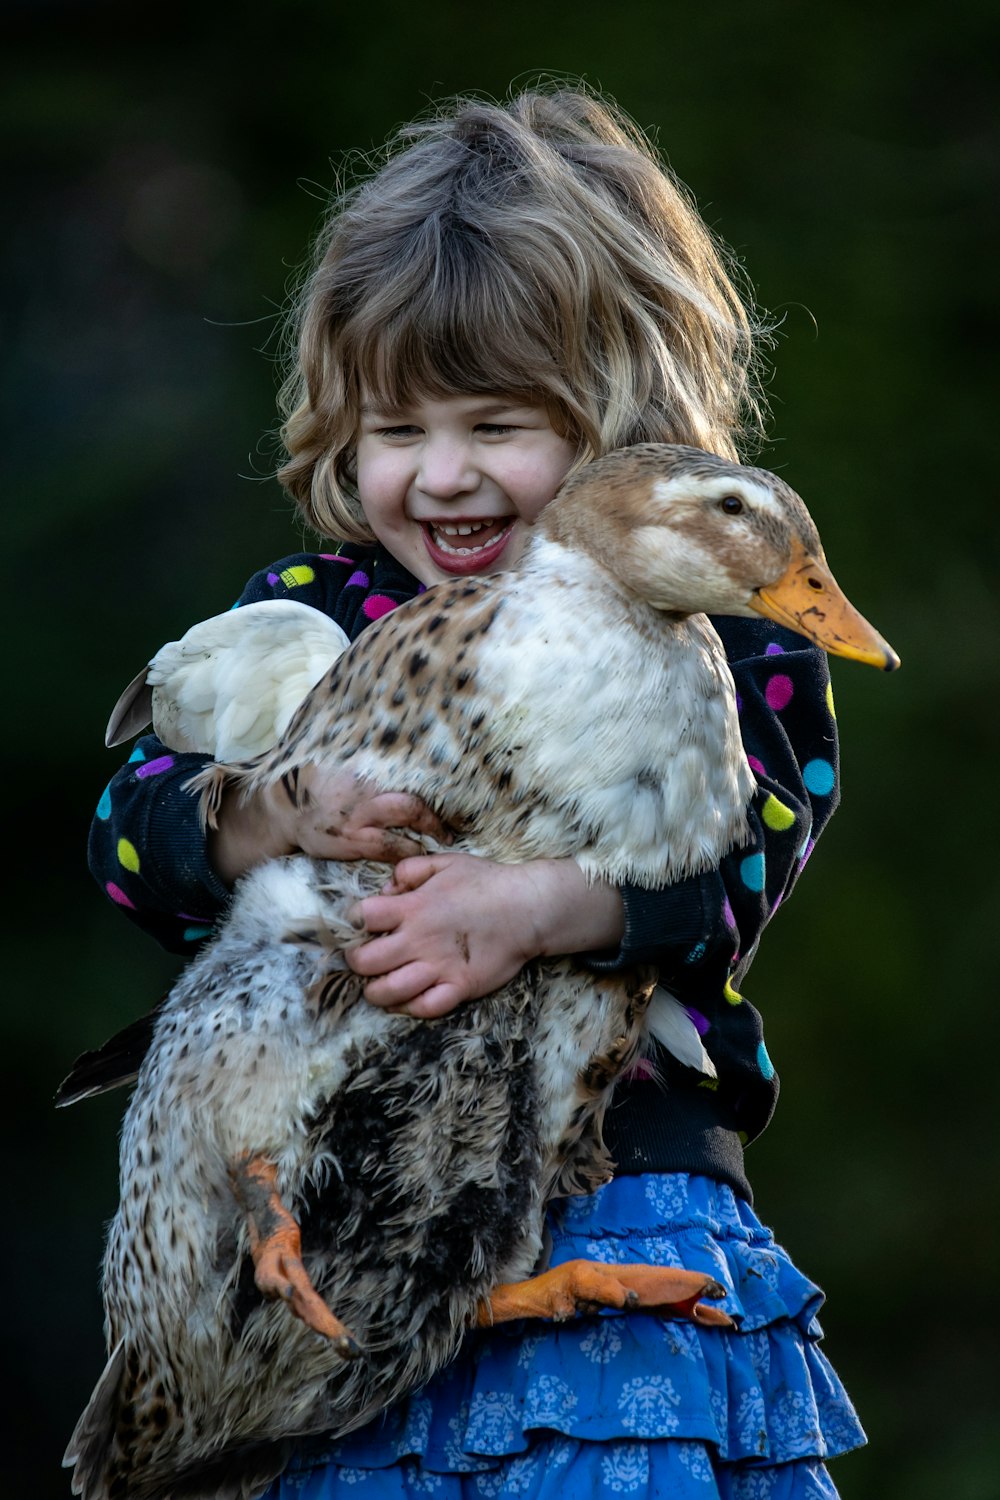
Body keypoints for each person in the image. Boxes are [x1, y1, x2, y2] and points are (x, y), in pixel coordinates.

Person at [89, 85, 865, 1499]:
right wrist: (273, 810)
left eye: (499, 424)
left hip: (617, 1193)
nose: (443, 476)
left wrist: (542, 906)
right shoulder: (320, 609)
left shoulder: (734, 630)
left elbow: (749, 868)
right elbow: (127, 846)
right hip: (338, 1234)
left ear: (623, 421)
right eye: (396, 431)